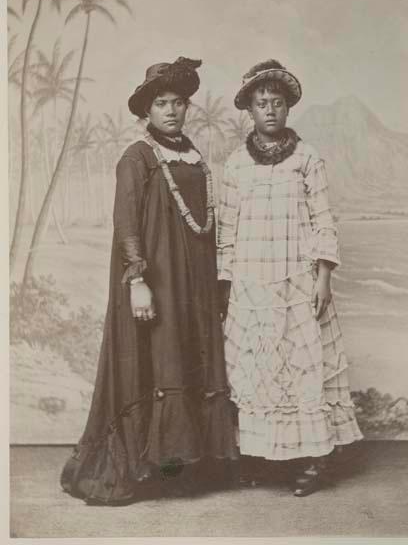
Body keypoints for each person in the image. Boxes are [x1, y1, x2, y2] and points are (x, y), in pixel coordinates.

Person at [61, 57, 238, 505]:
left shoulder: (195, 156)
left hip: (193, 284)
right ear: (147, 110)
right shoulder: (136, 157)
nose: (172, 111)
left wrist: (217, 281)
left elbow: (204, 223)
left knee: (187, 356)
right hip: (154, 281)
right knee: (156, 360)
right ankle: (142, 466)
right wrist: (138, 279)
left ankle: (188, 465)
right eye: (162, 103)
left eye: (179, 102)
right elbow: (126, 224)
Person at [217, 59, 363, 497]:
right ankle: (259, 459)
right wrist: (225, 286)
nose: (270, 111)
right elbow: (226, 230)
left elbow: (323, 220)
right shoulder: (235, 165)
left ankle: (313, 460)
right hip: (250, 284)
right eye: (262, 103)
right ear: (249, 109)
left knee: (303, 369)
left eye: (277, 103)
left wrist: (323, 279)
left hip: (298, 282)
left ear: (287, 109)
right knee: (255, 370)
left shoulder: (307, 158)